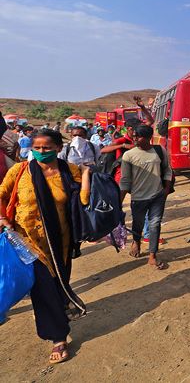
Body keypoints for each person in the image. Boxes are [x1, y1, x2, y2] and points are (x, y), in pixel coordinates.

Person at [0, 128, 90, 364]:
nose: (41, 152)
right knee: (43, 289)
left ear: (59, 148)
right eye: (37, 148)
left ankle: (60, 309)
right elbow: (1, 195)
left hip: (61, 242)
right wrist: (3, 219)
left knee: (59, 284)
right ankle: (58, 337)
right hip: (29, 244)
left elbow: (84, 200)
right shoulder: (19, 171)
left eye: (47, 148)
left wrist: (86, 174)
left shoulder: (70, 171)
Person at [119, 125, 172, 269]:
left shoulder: (159, 151)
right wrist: (119, 200)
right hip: (138, 198)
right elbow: (125, 180)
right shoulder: (128, 155)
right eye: (134, 136)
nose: (135, 138)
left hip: (157, 196)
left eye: (139, 136)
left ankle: (152, 256)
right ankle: (136, 241)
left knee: (155, 224)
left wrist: (166, 188)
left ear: (149, 138)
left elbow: (167, 169)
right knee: (138, 223)